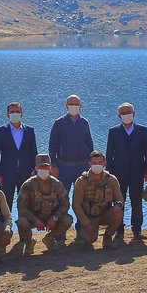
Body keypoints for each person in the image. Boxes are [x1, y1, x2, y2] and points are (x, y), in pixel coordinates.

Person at [105, 102, 147, 243]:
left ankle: (137, 230)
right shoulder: (113, 132)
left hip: (137, 172)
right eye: (123, 113)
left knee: (136, 201)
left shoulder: (143, 130)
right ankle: (119, 230)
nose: (126, 115)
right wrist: (109, 174)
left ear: (134, 114)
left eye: (128, 112)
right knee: (119, 202)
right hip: (118, 174)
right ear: (119, 116)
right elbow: (109, 155)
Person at [48, 94, 93, 234]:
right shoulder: (59, 123)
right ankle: (60, 231)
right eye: (71, 104)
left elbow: (89, 144)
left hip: (82, 166)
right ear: (66, 106)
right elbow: (52, 146)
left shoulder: (84, 122)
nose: (74, 106)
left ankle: (81, 228)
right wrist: (54, 165)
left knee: (83, 198)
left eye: (76, 104)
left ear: (81, 106)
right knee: (62, 198)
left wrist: (91, 164)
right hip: (64, 166)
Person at [15, 154, 72, 254]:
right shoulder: (27, 185)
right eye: (41, 167)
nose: (43, 169)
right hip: (34, 217)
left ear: (50, 168)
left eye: (46, 166)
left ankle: (50, 238)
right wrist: (35, 220)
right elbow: (21, 207)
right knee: (21, 222)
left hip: (51, 216)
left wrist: (54, 218)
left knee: (68, 220)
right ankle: (29, 242)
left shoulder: (57, 184)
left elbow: (65, 204)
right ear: (36, 168)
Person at [0, 102, 38, 214]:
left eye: (17, 111)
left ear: (22, 113)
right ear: (8, 114)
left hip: (25, 174)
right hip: (6, 175)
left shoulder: (29, 131)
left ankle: (24, 228)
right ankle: (4, 229)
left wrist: (35, 172)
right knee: (5, 205)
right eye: (12, 112)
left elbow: (34, 153)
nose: (15, 114)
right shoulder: (1, 131)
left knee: (25, 204)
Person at [71, 151, 123, 250]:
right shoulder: (81, 181)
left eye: (100, 162)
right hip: (89, 217)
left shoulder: (112, 180)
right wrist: (87, 223)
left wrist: (118, 205)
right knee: (90, 239)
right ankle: (83, 234)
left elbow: (119, 199)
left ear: (105, 164)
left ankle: (107, 238)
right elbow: (76, 205)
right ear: (89, 164)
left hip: (105, 214)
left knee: (119, 212)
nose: (97, 165)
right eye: (94, 163)